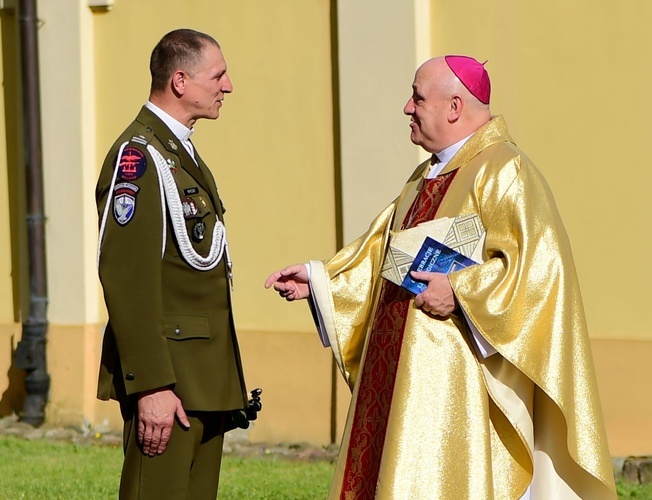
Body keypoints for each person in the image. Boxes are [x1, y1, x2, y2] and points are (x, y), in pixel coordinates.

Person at [265, 55, 616, 499]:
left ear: (454, 107)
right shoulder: (425, 174)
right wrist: (321, 280)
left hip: (452, 385)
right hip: (395, 372)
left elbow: (539, 271)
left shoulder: (504, 170)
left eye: (417, 97)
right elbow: (381, 251)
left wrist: (460, 290)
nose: (407, 108)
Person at [96, 29, 258, 499]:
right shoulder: (140, 159)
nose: (227, 86)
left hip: (203, 375)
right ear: (181, 81)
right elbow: (127, 280)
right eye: (219, 75)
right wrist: (152, 386)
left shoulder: (176, 150)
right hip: (171, 380)